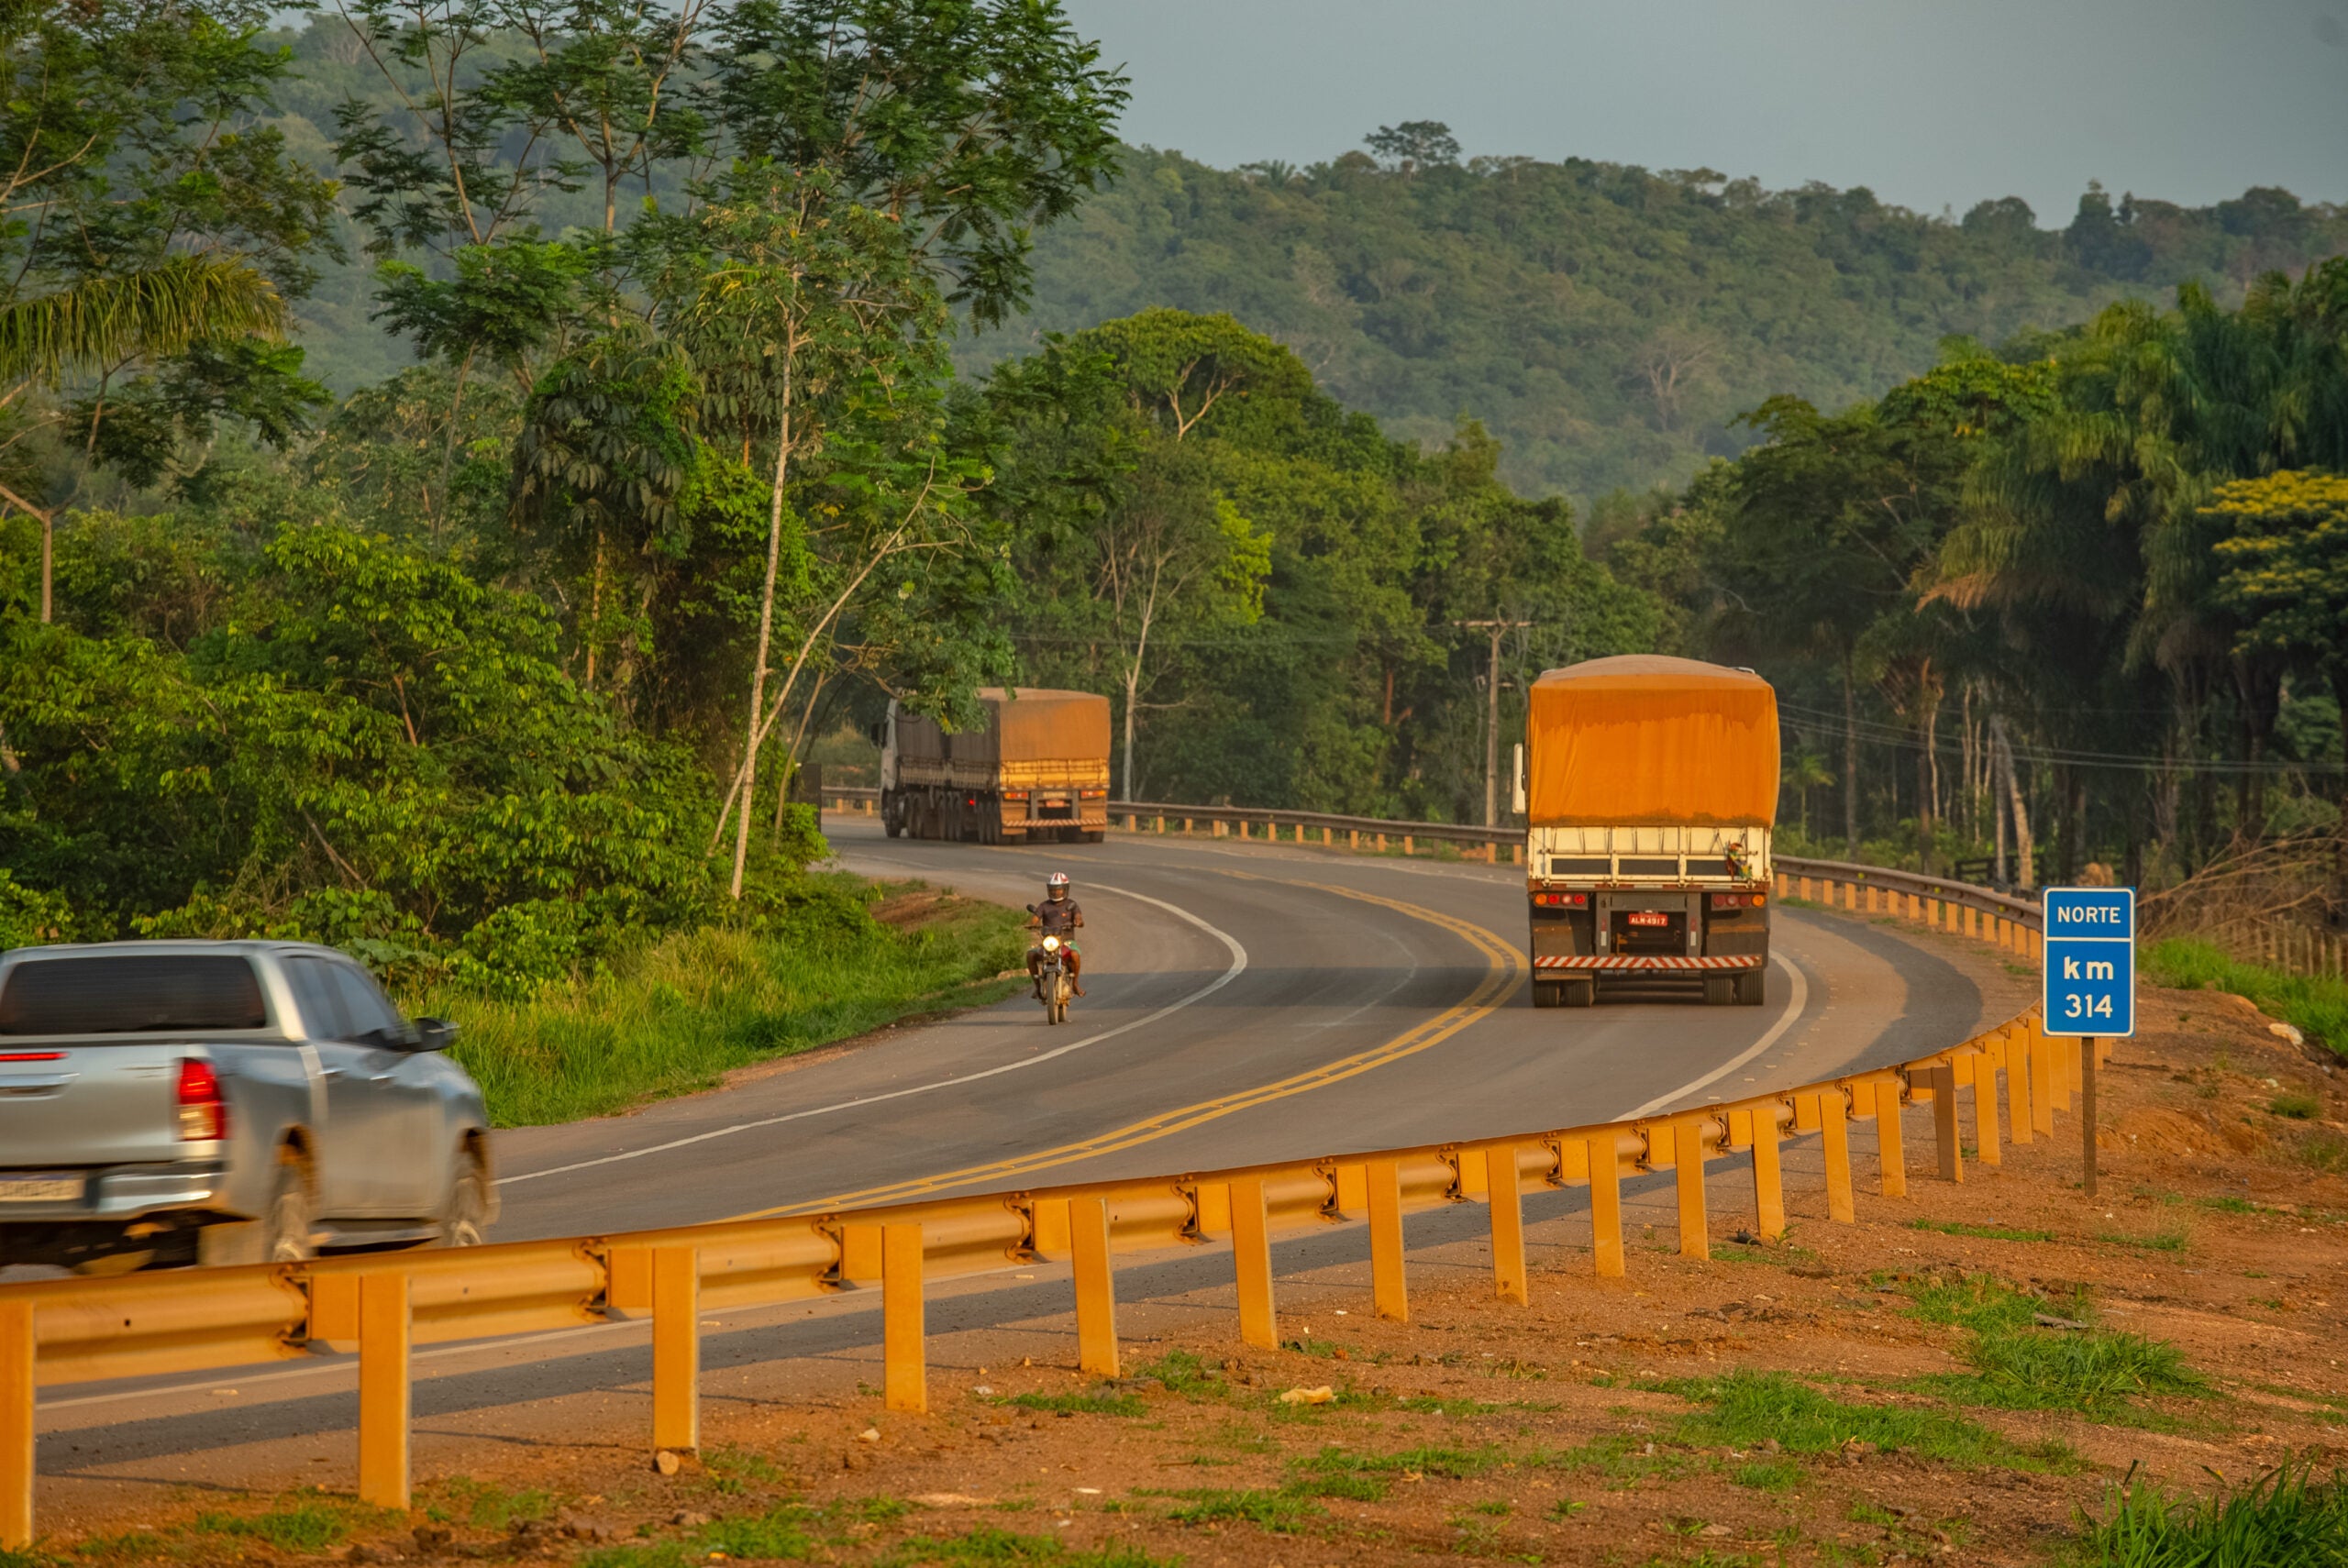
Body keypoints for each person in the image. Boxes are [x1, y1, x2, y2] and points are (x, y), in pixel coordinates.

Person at [1027, 871, 1085, 999]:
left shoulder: (1072, 904)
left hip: (1067, 941)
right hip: (1049, 940)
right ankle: (1037, 987)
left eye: (1058, 890)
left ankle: (1075, 984)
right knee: (1031, 954)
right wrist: (1031, 924)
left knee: (1075, 955)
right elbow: (1035, 918)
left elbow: (1078, 917)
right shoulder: (1044, 905)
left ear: (1065, 889)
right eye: (1052, 890)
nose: (1055, 892)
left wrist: (1078, 922)